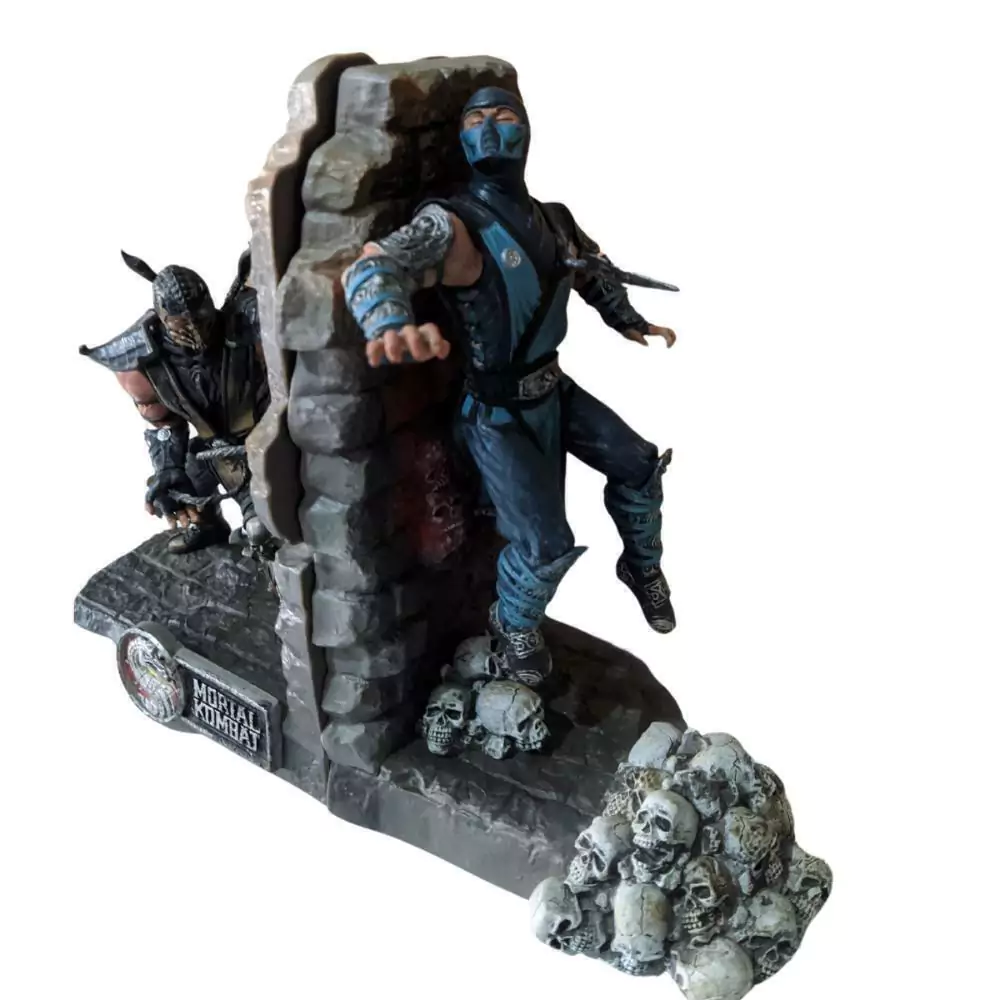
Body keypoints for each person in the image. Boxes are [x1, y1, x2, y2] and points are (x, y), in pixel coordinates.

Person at [342, 87, 677, 685]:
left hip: (555, 390)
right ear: (461, 139)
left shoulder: (555, 218)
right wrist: (388, 320)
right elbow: (376, 263)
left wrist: (627, 318)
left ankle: (641, 566)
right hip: (495, 414)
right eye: (476, 120)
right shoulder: (451, 224)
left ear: (527, 130)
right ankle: (514, 626)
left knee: (638, 464)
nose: (490, 129)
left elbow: (592, 270)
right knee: (545, 544)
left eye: (503, 117)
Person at [81, 248, 271, 554]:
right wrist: (168, 468)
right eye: (183, 326)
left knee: (263, 527)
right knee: (185, 478)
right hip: (213, 447)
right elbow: (163, 423)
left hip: (268, 437)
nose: (195, 333)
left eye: (202, 320)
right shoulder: (144, 359)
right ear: (163, 320)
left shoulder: (248, 324)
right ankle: (206, 524)